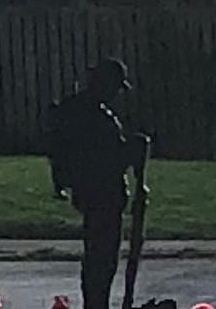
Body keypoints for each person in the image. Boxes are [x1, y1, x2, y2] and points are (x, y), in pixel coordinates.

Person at [46, 58, 151, 309]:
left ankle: (96, 302)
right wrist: (133, 150)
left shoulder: (78, 110)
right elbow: (104, 159)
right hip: (101, 195)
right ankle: (96, 304)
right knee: (101, 258)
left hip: (95, 193)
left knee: (99, 256)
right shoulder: (92, 117)